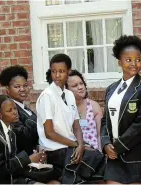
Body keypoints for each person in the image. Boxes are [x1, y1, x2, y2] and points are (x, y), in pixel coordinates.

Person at [36, 54, 105, 184]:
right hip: (55, 150)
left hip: (69, 147)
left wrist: (80, 144)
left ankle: (71, 179)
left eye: (61, 71)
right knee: (96, 160)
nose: (57, 75)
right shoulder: (47, 96)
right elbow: (49, 133)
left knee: (100, 160)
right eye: (54, 71)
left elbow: (76, 126)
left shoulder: (69, 95)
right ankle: (70, 179)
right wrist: (77, 145)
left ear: (68, 72)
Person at [100, 35, 141, 184]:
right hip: (115, 157)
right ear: (119, 62)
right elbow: (104, 120)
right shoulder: (111, 89)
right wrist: (106, 144)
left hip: (138, 156)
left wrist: (117, 147)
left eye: (138, 59)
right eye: (128, 60)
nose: (134, 64)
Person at [0, 95, 45, 184]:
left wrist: (33, 158)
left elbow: (12, 160)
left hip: (11, 178)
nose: (15, 112)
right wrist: (28, 159)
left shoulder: (11, 130)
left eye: (15, 109)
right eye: (9, 110)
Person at [0, 65, 38, 155]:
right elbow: (23, 136)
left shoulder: (23, 108)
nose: (22, 89)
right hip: (21, 159)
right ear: (7, 89)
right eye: (17, 87)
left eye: (25, 85)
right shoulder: (9, 110)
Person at [66, 69, 103, 151]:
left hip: (93, 154)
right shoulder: (64, 109)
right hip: (73, 154)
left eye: (81, 83)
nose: (80, 87)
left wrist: (101, 155)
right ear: (66, 90)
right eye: (75, 86)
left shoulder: (94, 106)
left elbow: (100, 135)